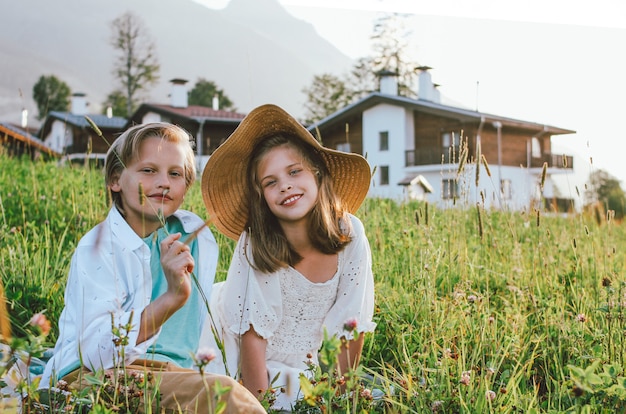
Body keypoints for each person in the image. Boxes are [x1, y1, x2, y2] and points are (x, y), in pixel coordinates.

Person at [39, 122, 265, 413]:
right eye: (148, 170)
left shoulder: (195, 235)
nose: (164, 182)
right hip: (88, 377)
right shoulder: (98, 247)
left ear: (187, 186)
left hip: (172, 373)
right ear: (115, 179)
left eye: (175, 174)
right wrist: (172, 297)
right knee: (226, 397)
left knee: (234, 393)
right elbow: (97, 353)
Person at [200, 104, 376, 411]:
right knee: (216, 396)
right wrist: (258, 406)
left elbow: (352, 326)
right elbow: (251, 339)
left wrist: (339, 401)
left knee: (343, 397)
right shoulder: (257, 243)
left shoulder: (351, 235)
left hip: (295, 364)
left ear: (318, 175)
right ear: (263, 197)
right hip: (228, 342)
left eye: (295, 171)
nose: (286, 185)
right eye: (271, 182)